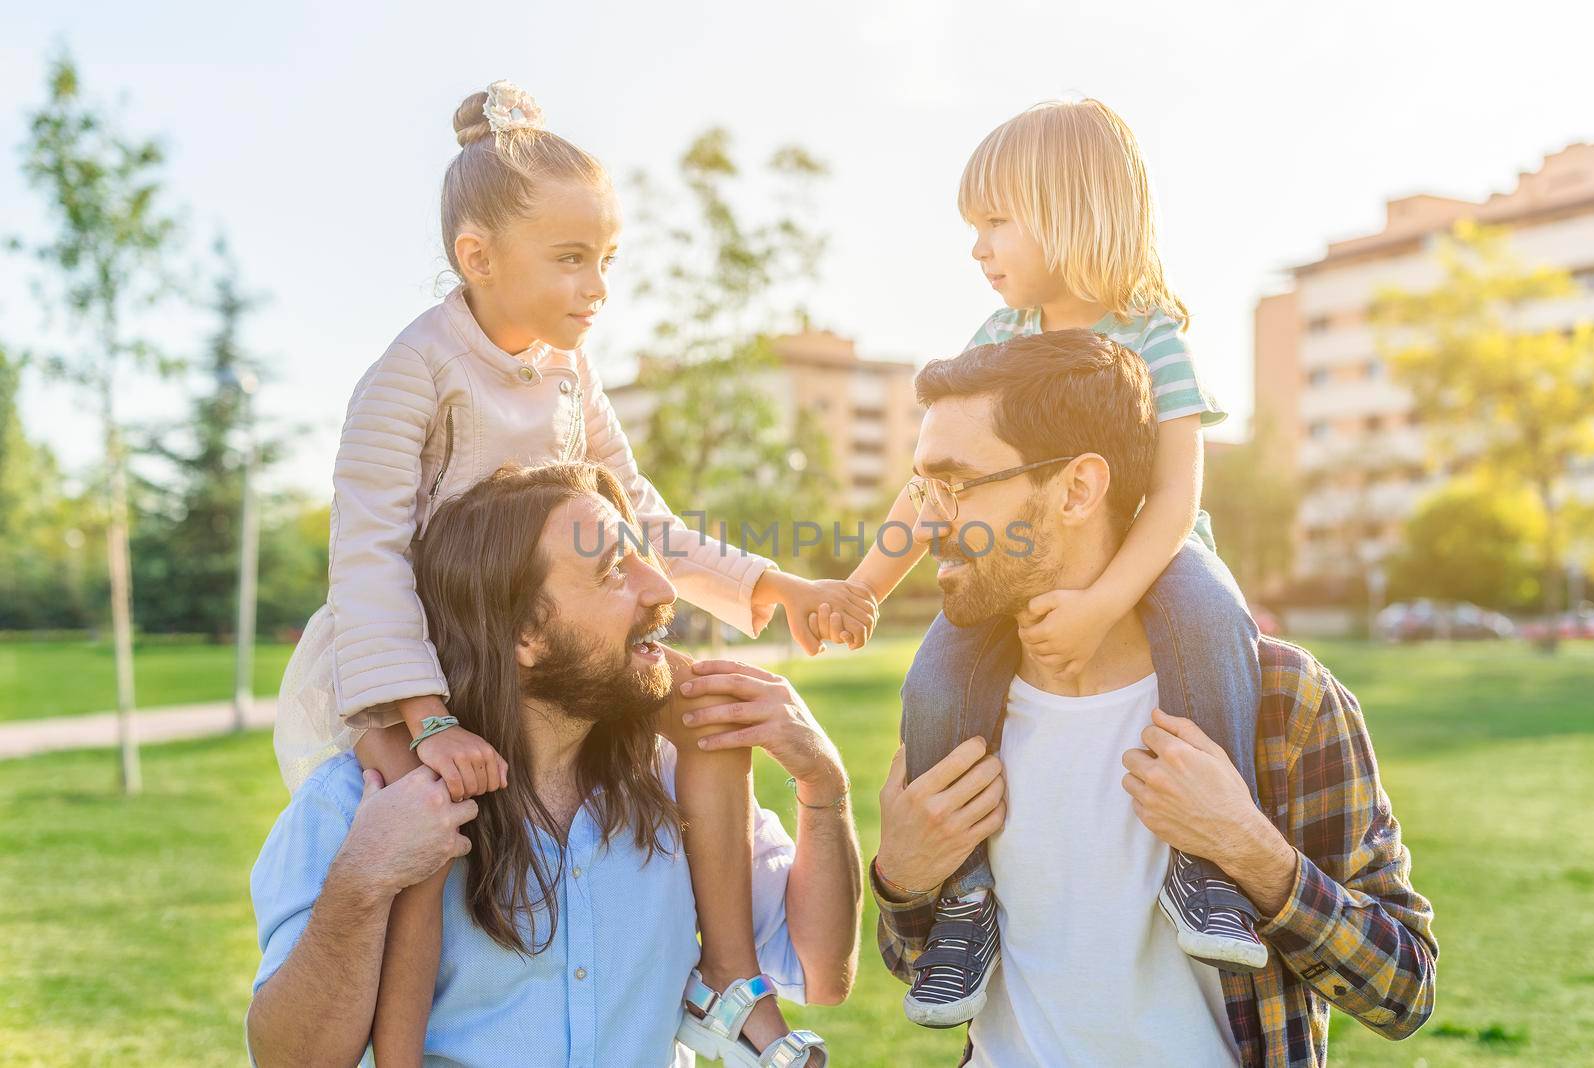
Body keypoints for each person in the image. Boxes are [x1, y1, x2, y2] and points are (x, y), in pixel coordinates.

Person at [271, 80, 876, 1063]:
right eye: (569, 260)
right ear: (478, 258)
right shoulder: (411, 372)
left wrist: (774, 591)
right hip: (404, 664)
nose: (596, 285)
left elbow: (641, 522)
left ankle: (727, 980)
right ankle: (396, 1045)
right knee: (423, 821)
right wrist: (421, 718)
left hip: (531, 645)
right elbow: (369, 558)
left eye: (606, 259)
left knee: (713, 704)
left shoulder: (568, 371)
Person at [872, 330, 1437, 1066]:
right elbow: (916, 966)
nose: (930, 519)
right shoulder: (956, 701)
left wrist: (1249, 851)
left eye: (957, 485)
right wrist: (902, 880)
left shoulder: (1283, 701)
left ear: (1077, 489)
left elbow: (1404, 992)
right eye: (923, 486)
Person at [833, 98, 1267, 1025]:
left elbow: (1178, 499)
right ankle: (964, 902)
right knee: (939, 671)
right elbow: (934, 486)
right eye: (973, 226)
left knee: (1215, 616)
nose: (979, 248)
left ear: (1071, 211)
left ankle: (1207, 868)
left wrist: (1107, 603)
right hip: (1023, 560)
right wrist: (866, 584)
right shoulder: (996, 343)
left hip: (1155, 552)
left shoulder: (1154, 336)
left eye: (997, 221)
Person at [248, 461, 863, 1067]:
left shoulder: (679, 782)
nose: (662, 589)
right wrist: (364, 877)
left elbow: (821, 973)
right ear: (526, 636)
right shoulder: (364, 803)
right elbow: (288, 1059)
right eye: (615, 572)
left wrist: (822, 782)